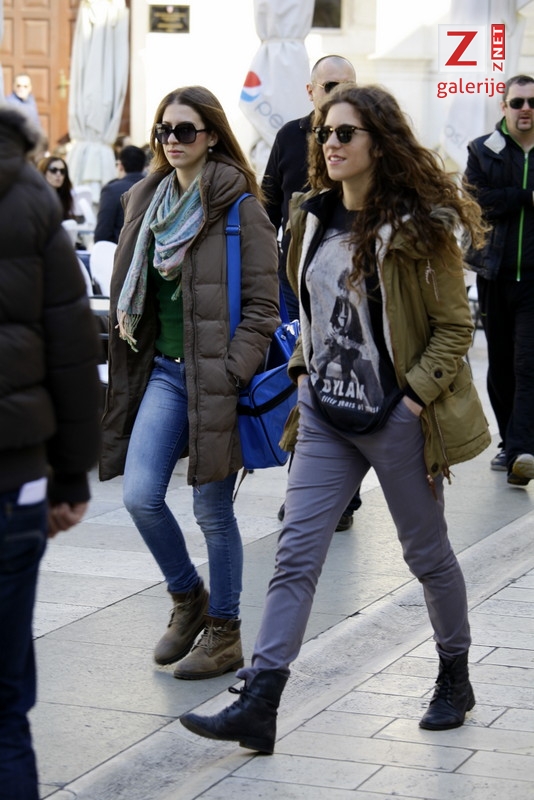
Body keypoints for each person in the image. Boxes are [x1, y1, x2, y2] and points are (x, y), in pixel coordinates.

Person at [180, 84, 491, 752]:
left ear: (380, 142)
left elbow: (453, 328)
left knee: (426, 553)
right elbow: (308, 310)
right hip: (324, 413)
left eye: (345, 133)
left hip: (395, 416)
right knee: (296, 551)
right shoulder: (312, 215)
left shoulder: (420, 226)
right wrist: (301, 374)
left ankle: (455, 674)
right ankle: (260, 701)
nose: (330, 144)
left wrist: (410, 402)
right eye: (325, 133)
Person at [99, 86, 279, 680]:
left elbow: (265, 307)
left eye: (185, 130)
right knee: (140, 495)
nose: (172, 140)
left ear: (212, 136)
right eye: (164, 130)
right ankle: (188, 596)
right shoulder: (145, 200)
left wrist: (232, 370)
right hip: (165, 372)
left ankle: (225, 632)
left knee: (211, 510)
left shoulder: (240, 207)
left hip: (217, 378)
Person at [0, 104, 101, 800]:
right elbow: (72, 348)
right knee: (5, 700)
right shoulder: (32, 195)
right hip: (13, 484)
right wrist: (70, 477)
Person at [262, 54, 360, 532]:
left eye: (346, 85)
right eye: (329, 86)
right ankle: (305, 492)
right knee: (302, 380)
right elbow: (267, 205)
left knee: (342, 379)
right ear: (311, 91)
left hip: (350, 279)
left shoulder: (367, 134)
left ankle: (341, 497)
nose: (337, 93)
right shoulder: (289, 137)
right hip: (293, 278)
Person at [465, 74, 534, 487]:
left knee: (528, 362)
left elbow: (493, 198)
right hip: (494, 273)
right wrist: (526, 197)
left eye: (532, 102)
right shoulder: (482, 150)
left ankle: (523, 448)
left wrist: (508, 198)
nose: (526, 109)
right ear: (504, 106)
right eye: (518, 102)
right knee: (501, 364)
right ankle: (511, 443)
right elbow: (476, 202)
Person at [94, 145, 146, 243]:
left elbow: (102, 234)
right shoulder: (157, 187)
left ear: (120, 165)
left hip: (118, 248)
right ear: (143, 167)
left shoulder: (111, 190)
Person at [37, 155, 75, 221]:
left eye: (62, 171)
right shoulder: (35, 197)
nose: (58, 174)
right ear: (43, 171)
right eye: (53, 170)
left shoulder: (66, 197)